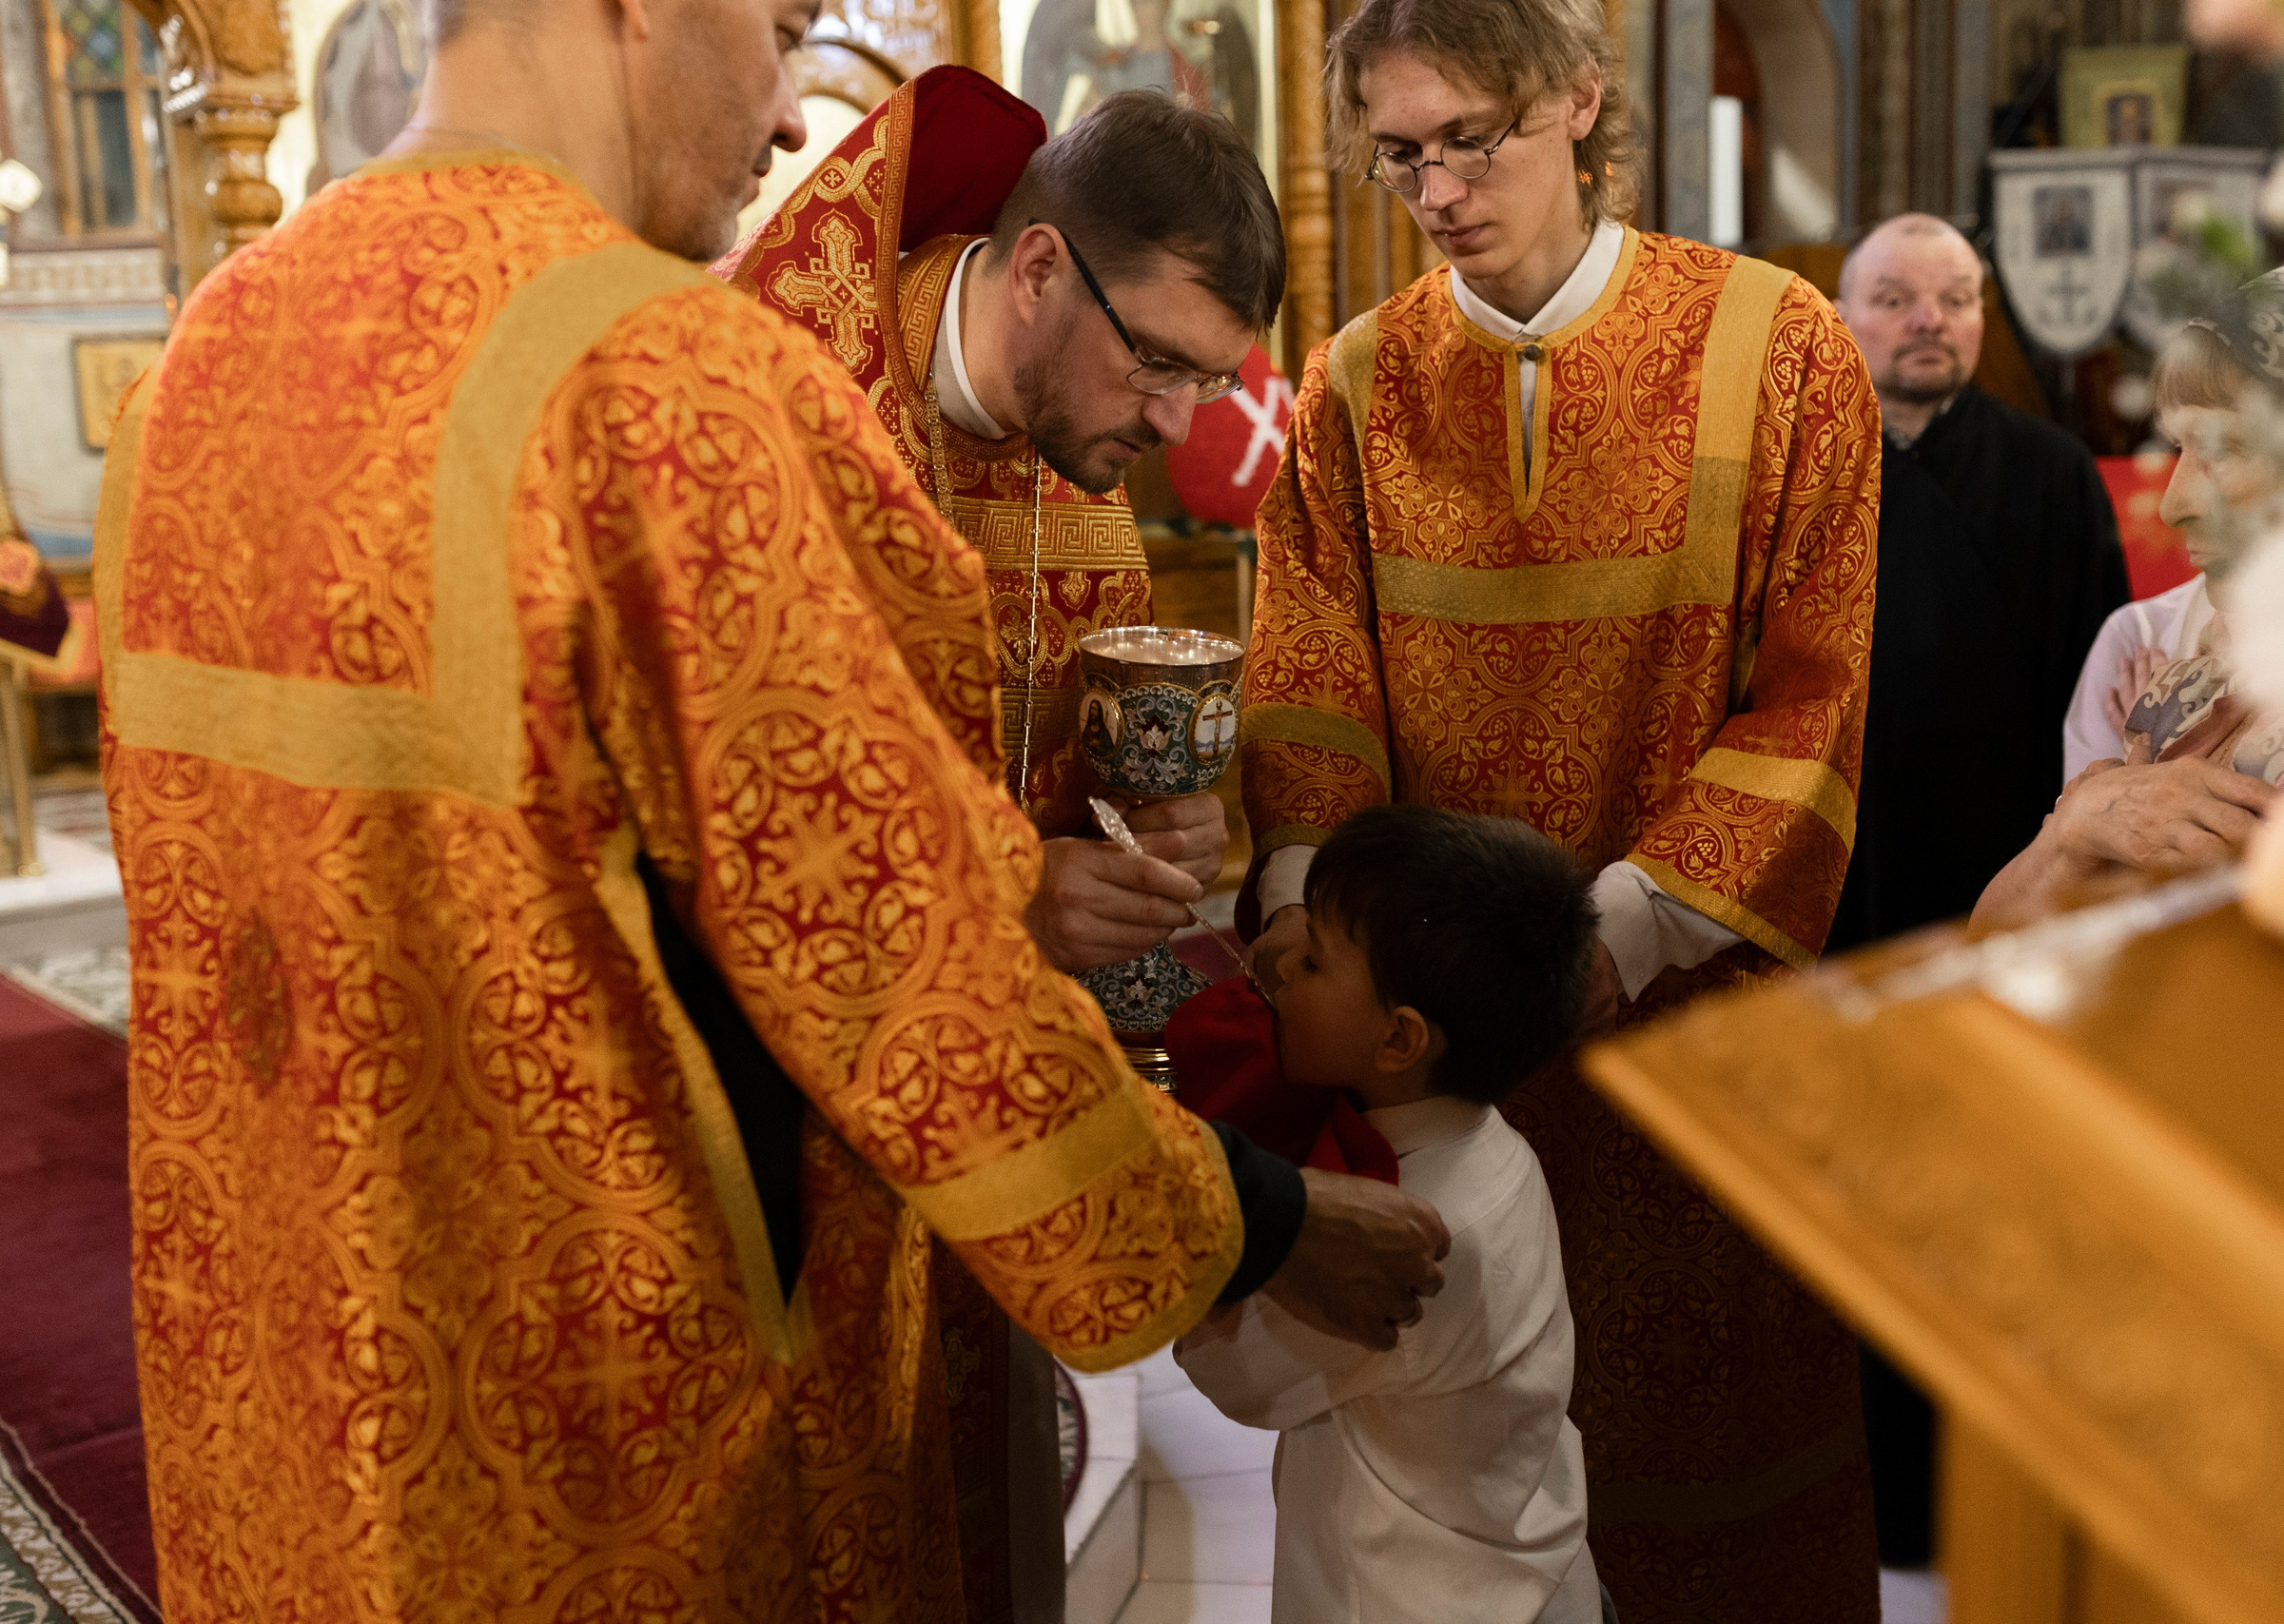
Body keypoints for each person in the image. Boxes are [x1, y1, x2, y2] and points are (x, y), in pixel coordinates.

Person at [91, 1, 1453, 1619]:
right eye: (784, 27)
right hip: (605, 1455)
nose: (795, 109)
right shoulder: (667, 379)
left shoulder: (207, 356)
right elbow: (902, 977)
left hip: (293, 1427)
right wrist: (1262, 1222)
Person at [1238, 0, 1884, 1614]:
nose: (1442, 186)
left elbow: (1815, 688)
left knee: (1712, 1462)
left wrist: (1620, 929)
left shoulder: (1779, 345)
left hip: (1697, 1031)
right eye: (1402, 153)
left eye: (1476, 137)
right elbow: (1310, 678)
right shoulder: (1358, 384)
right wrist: (1326, 941)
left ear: (1580, 105)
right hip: (1439, 1054)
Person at [711, 75, 1282, 1613]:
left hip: (975, 1151)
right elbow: (734, 832)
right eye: (1158, 363)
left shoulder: (1078, 500)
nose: (1175, 430)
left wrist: (1151, 831)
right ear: (1039, 271)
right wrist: (1016, 896)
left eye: (1207, 384)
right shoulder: (760, 405)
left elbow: (1054, 811)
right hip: (758, 1144)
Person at [1828, 213, 2131, 1567]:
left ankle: (1974, 1503)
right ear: (1842, 317)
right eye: (1894, 298)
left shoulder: (2054, 475)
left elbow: (2111, 735)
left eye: (1955, 296)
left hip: (2003, 893)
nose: (1927, 320)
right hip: (1836, 893)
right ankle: (1851, 1495)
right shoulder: (1802, 474)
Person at [1177, 805, 1610, 1624]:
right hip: (1530, 1576)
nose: (1275, 968)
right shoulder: (1502, 1154)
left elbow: (1227, 1372)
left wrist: (1239, 1194)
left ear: (1400, 1039)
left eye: (1311, 959)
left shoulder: (1396, 1242)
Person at [1978, 251, 2284, 931]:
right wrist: (2072, 835)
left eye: (2221, 448)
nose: (2172, 504)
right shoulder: (2192, 682)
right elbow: (1995, 942)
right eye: (2177, 448)